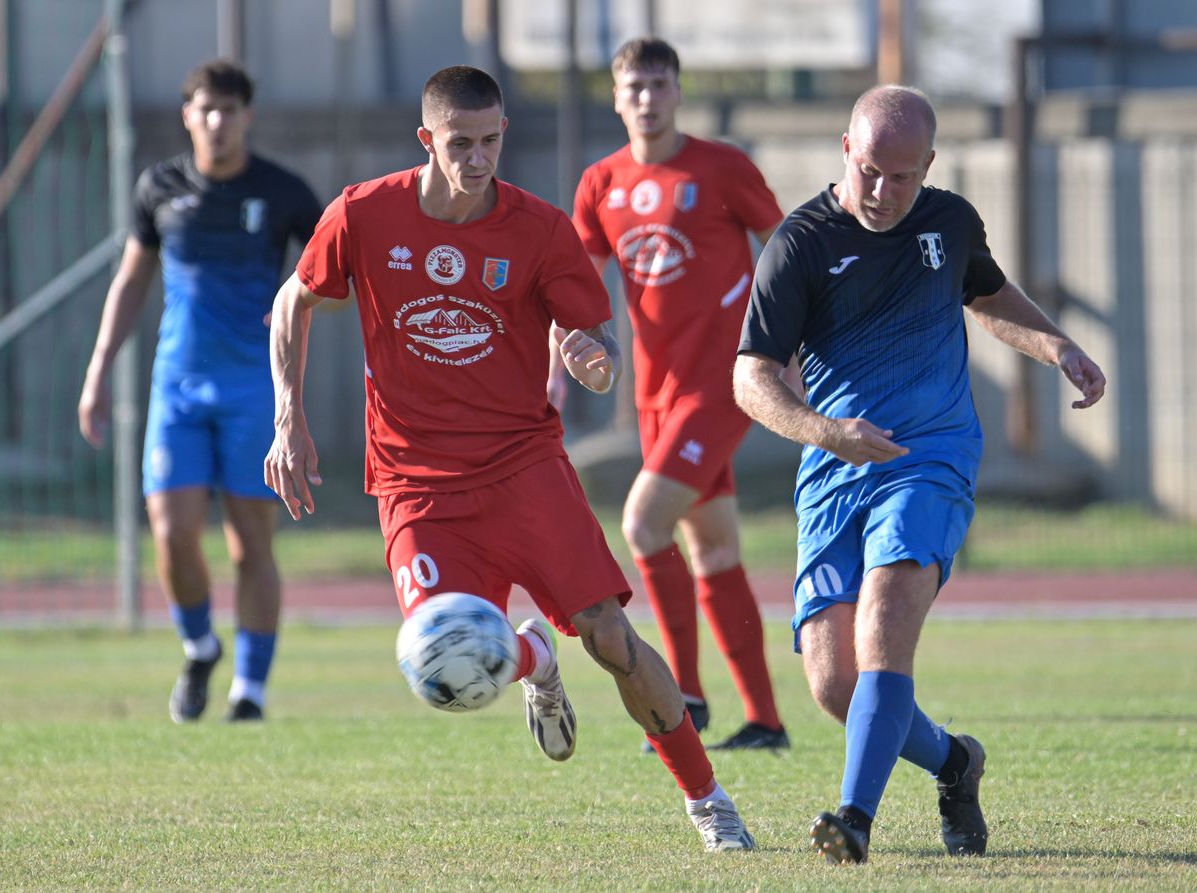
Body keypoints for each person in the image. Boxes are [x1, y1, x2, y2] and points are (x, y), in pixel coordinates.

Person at [264, 64, 756, 853]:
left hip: (524, 468)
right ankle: (532, 659)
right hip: (416, 484)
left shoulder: (539, 229)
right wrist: (288, 416)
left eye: (492, 139)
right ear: (426, 139)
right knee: (439, 656)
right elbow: (294, 299)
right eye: (460, 142)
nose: (479, 157)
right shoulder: (364, 214)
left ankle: (709, 801)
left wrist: (593, 358)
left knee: (611, 637)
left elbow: (592, 338)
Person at [733, 85, 1107, 864]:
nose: (882, 190)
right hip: (836, 467)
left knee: (886, 617)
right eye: (870, 170)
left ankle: (854, 817)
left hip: (930, 458)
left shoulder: (949, 220)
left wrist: (1058, 347)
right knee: (837, 685)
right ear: (845, 149)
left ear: (928, 167)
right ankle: (954, 761)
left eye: (902, 176)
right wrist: (824, 430)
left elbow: (988, 295)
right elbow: (751, 377)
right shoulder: (798, 245)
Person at [78, 60, 322, 723]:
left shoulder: (284, 191)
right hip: (177, 388)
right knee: (172, 531)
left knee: (251, 543)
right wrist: (100, 368)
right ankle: (199, 645)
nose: (217, 121)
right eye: (205, 109)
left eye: (229, 109)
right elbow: (131, 281)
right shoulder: (159, 187)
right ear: (188, 115)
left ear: (248, 116)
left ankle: (251, 691)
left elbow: (332, 277)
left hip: (253, 391)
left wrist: (297, 304)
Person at [568, 37, 788, 753]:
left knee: (641, 524)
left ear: (678, 92)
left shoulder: (722, 168)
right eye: (634, 86)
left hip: (724, 383)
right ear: (616, 96)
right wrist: (559, 360)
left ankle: (685, 697)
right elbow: (573, 287)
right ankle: (765, 720)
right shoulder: (600, 182)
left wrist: (787, 346)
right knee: (715, 548)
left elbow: (783, 248)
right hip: (655, 395)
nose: (647, 98)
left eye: (659, 84)